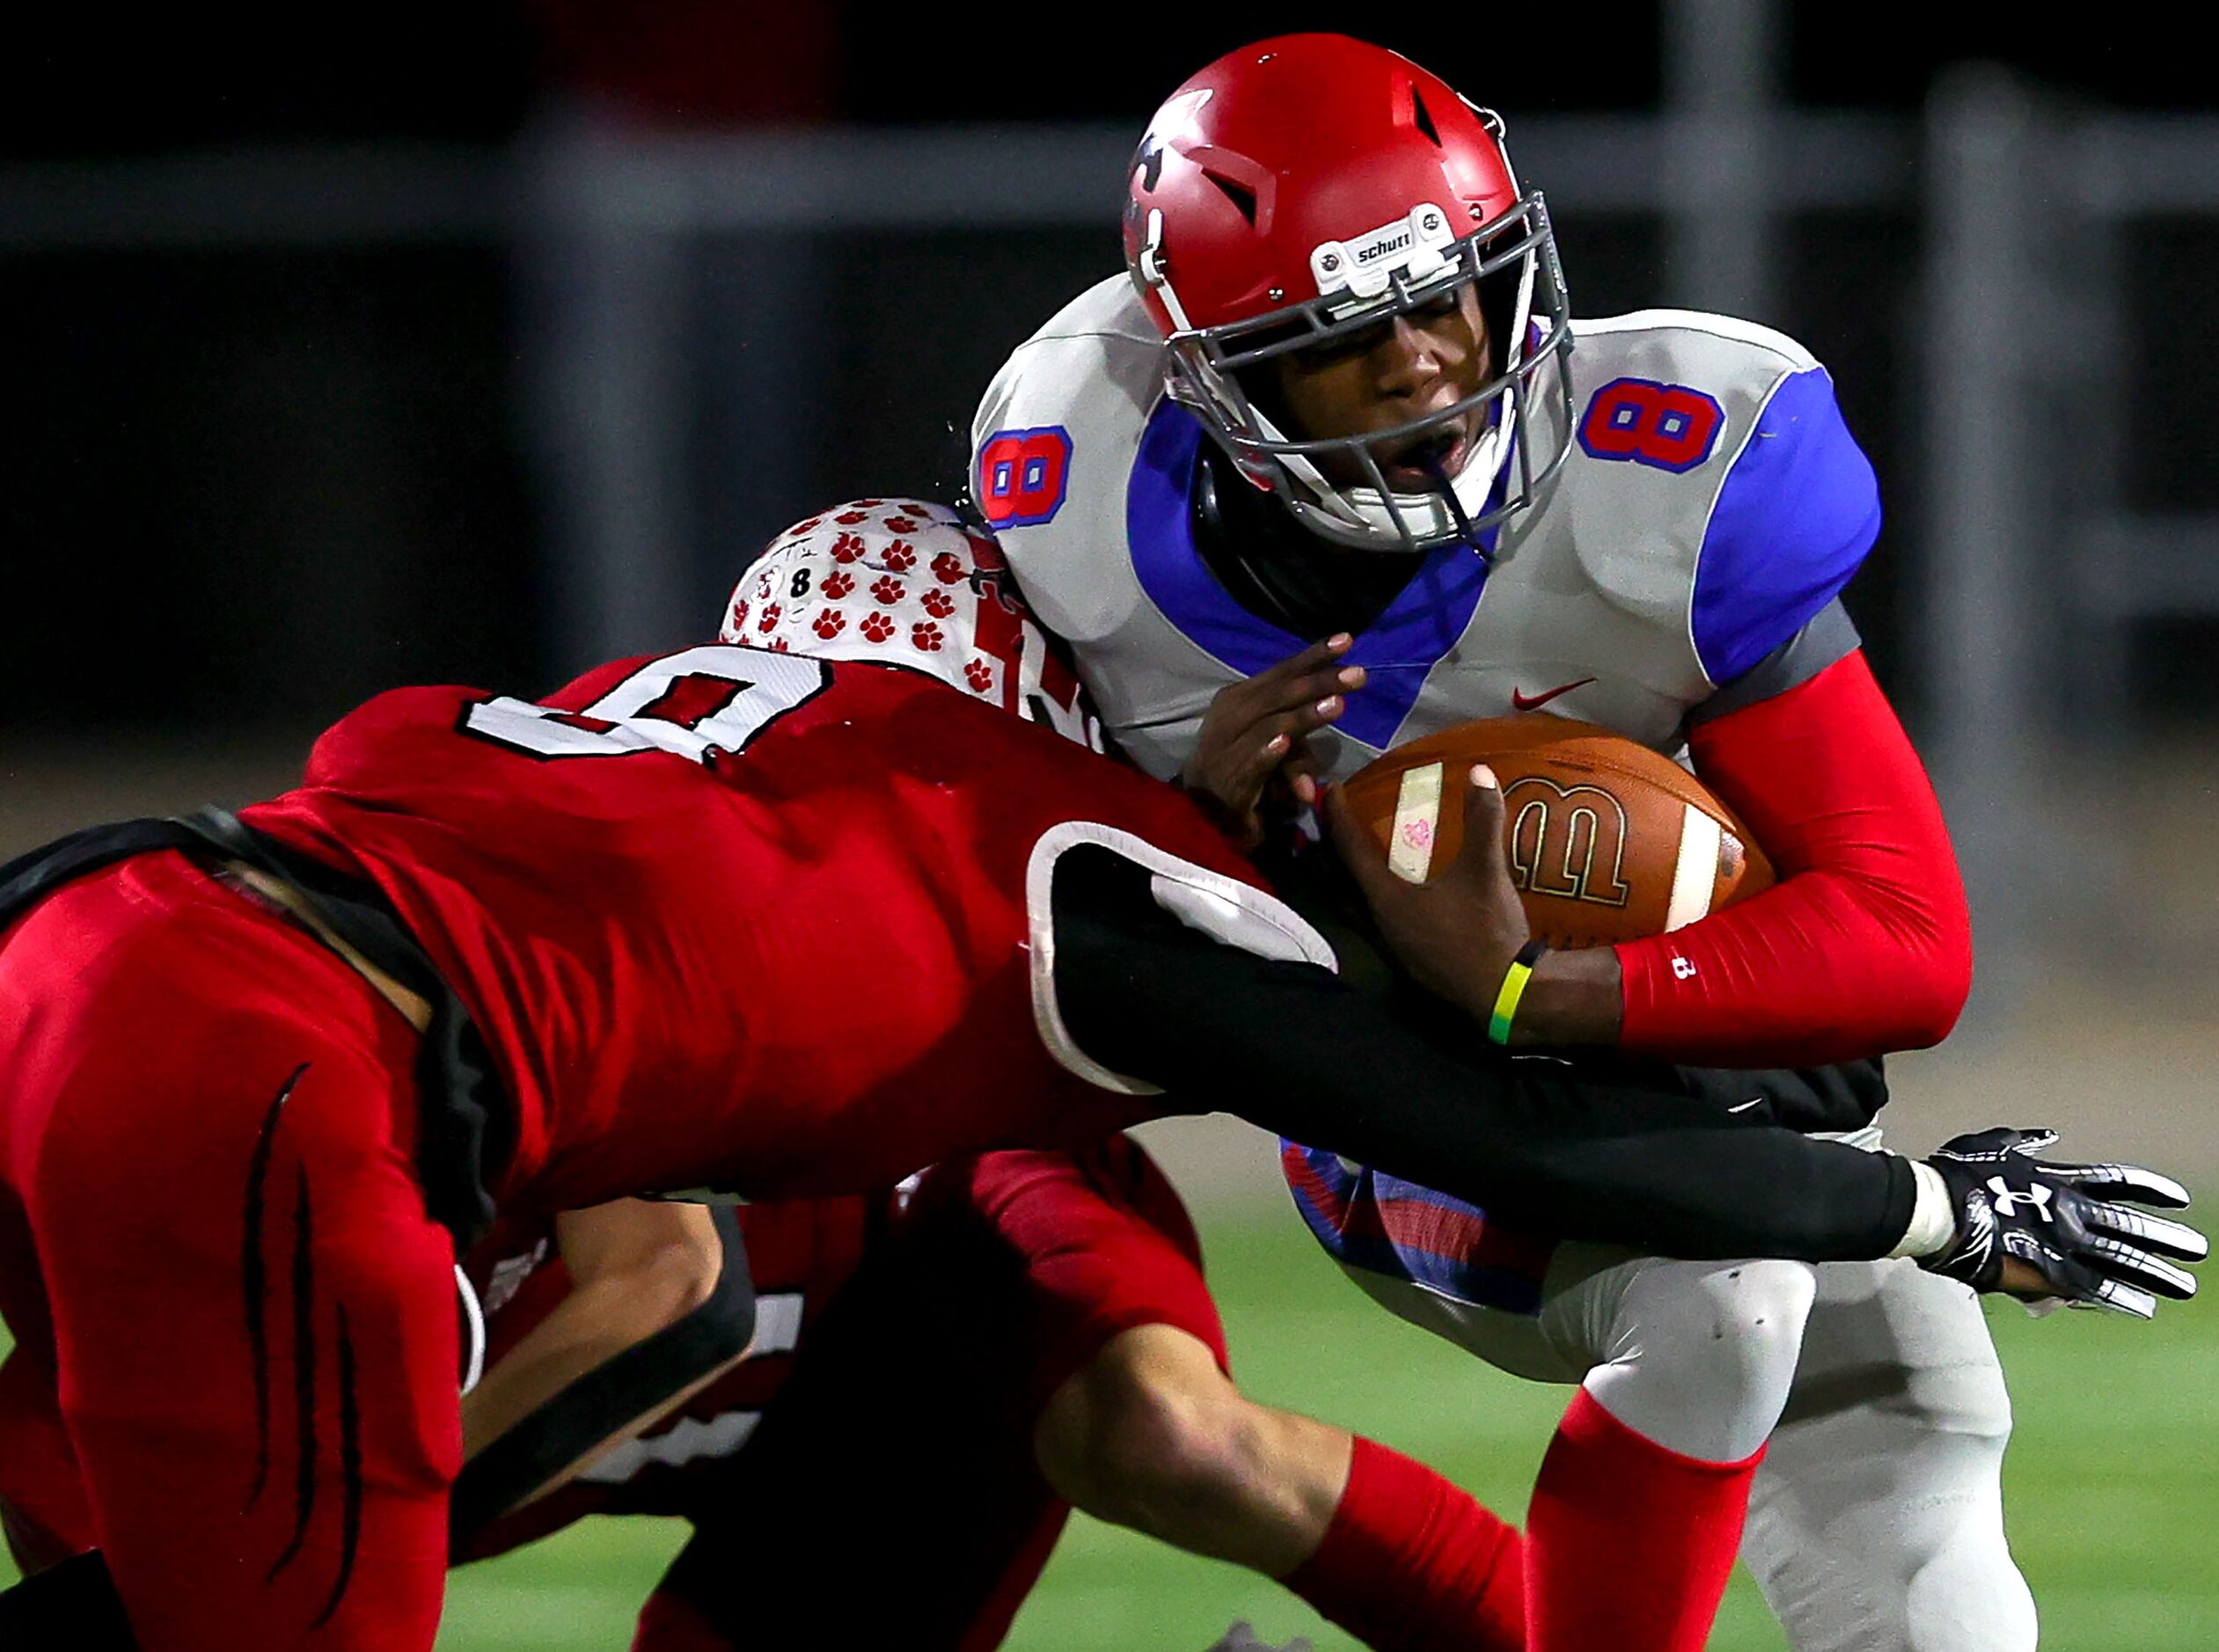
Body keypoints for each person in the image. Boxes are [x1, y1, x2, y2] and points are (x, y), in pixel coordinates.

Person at [0, 501, 2191, 1651]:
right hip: (271, 1087)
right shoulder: (1070, 870)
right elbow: (1492, 1125)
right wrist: (1934, 1206)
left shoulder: (628, 728)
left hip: (93, 928)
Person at [965, 34, 2188, 1650]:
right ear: (1214, 374)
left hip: (1652, 1059)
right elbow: (1053, 949)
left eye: (1444, 296)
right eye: (1347, 337)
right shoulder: (1075, 513)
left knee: (1912, 1392)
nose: (1420, 364)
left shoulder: (1671, 456)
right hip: (1381, 1106)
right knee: (1729, 1295)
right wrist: (1213, 838)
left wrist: (1539, 990)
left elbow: (1904, 936)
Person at [447, 1148, 1527, 1652]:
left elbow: (675, 1289)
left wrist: (384, 1495)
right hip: (832, 1475)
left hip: (932, 1214)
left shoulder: (405, 1129)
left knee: (1169, 1435)